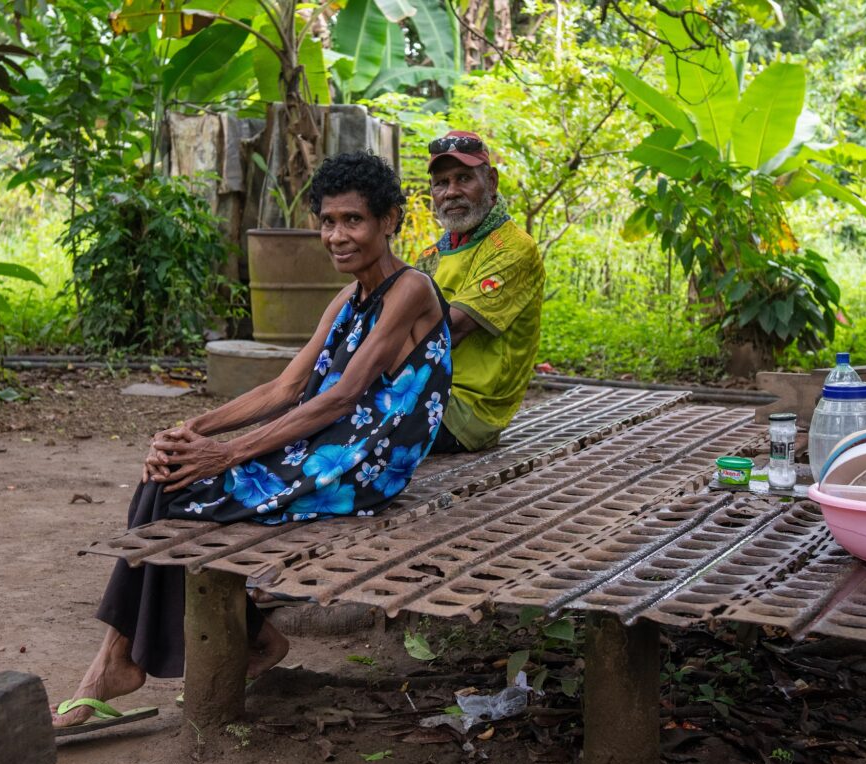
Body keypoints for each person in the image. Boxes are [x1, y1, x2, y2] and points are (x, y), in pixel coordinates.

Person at [53, 152, 453, 730]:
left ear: (390, 219)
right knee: (166, 471)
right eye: (328, 221)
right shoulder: (347, 300)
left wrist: (231, 451)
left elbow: (343, 398)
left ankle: (133, 660)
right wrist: (190, 431)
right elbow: (287, 386)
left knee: (187, 490)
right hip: (327, 445)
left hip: (367, 464)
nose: (337, 236)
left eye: (353, 221)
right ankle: (173, 651)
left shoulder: (411, 288)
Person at [416, 131, 545, 454]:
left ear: (491, 181)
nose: (451, 192)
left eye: (464, 178)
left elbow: (449, 331)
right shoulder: (431, 256)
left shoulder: (514, 248)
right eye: (441, 183)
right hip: (422, 390)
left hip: (465, 412)